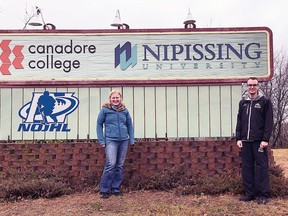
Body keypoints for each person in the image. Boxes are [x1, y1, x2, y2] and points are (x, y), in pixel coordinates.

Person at [236, 77, 273, 205]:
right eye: (250, 85)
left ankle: (263, 195)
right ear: (246, 86)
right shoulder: (243, 103)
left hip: (259, 141)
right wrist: (238, 137)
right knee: (247, 167)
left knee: (262, 167)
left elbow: (269, 122)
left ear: (258, 86)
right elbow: (239, 121)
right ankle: (249, 194)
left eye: (254, 85)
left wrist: (265, 139)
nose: (252, 87)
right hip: (245, 141)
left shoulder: (265, 102)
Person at [97, 89, 134, 199]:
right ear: (110, 99)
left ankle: (116, 188)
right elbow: (99, 125)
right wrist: (101, 140)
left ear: (120, 99)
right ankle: (104, 190)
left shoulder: (125, 111)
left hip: (124, 140)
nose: (115, 99)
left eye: (117, 98)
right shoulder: (105, 110)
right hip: (111, 140)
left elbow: (129, 125)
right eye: (113, 98)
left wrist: (131, 139)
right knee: (111, 164)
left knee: (119, 165)